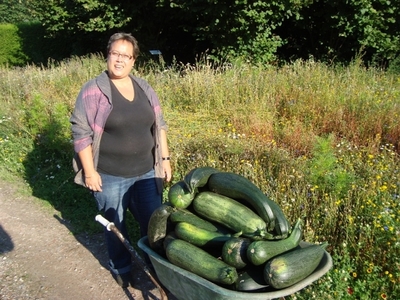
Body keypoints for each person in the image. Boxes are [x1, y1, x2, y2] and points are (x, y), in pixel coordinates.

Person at [70, 32, 172, 288]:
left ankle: (153, 266)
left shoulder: (144, 87)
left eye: (126, 56)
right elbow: (80, 132)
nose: (119, 60)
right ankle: (122, 268)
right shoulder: (93, 90)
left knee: (153, 225)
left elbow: (159, 124)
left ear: (134, 60)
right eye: (115, 53)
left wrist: (165, 159)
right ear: (107, 55)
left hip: (148, 171)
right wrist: (90, 172)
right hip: (110, 174)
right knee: (116, 227)